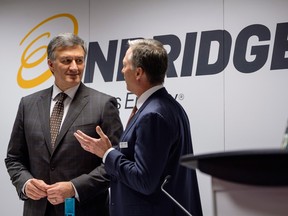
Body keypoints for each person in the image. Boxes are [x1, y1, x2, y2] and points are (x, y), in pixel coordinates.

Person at [74, 38, 203, 216]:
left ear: (138, 73)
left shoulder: (152, 115)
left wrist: (107, 153)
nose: (122, 70)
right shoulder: (167, 107)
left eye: (125, 65)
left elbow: (144, 180)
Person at [5, 33, 123, 216]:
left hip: (85, 210)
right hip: (37, 210)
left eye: (79, 60)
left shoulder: (103, 104)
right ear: (51, 64)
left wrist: (74, 187)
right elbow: (14, 158)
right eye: (67, 61)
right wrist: (26, 183)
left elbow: (116, 163)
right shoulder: (27, 105)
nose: (74, 67)